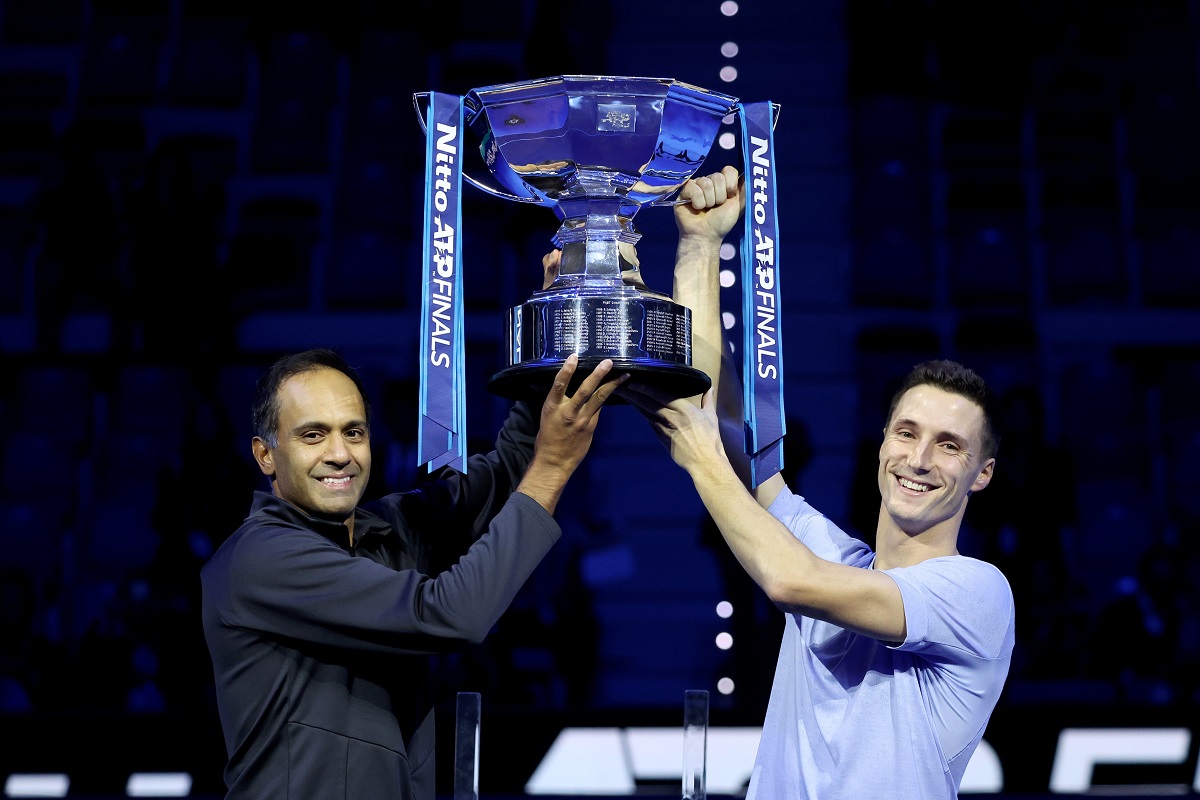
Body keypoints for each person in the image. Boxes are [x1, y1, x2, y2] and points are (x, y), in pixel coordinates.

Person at [620, 165, 1015, 799]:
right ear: (882, 442)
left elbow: (792, 581)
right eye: (907, 433)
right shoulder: (838, 560)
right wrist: (699, 245)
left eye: (950, 447)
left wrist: (697, 457)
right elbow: (720, 423)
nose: (918, 460)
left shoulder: (977, 593)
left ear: (981, 475)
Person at [200, 346, 626, 799]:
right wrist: (554, 467)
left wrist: (554, 340)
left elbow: (508, 470)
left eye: (354, 432)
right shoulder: (260, 558)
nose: (340, 453)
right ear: (265, 455)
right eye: (313, 435)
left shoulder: (385, 531)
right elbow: (450, 614)